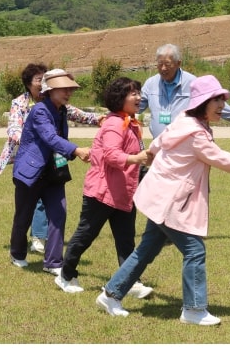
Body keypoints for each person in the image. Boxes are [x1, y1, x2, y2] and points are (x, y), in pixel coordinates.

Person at [95, 74, 230, 325]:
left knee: (146, 250)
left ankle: (111, 295)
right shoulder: (195, 133)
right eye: (216, 100)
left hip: (160, 196)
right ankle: (193, 309)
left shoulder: (184, 121)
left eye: (222, 100)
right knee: (194, 250)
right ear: (202, 103)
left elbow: (159, 141)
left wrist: (151, 152)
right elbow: (224, 160)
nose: (222, 105)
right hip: (170, 201)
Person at [56, 77, 153, 299]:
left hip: (124, 192)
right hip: (102, 192)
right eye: (133, 93)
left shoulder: (130, 123)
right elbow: (111, 155)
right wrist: (136, 158)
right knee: (85, 236)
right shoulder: (114, 123)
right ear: (120, 98)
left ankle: (131, 282)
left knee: (126, 240)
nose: (139, 97)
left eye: (139, 93)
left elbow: (135, 155)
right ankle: (65, 275)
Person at [8, 69, 91, 274]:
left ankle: (53, 263)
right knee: (23, 217)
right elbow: (51, 138)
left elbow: (59, 139)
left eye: (70, 89)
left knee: (58, 214)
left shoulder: (61, 110)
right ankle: (17, 253)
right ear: (50, 90)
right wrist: (76, 150)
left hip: (54, 172)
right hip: (31, 172)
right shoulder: (40, 111)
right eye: (63, 89)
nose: (68, 93)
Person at [139, 43, 230, 138]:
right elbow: (136, 105)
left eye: (167, 64)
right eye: (160, 64)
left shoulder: (192, 83)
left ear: (178, 63)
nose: (163, 68)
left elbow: (214, 103)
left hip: (187, 146)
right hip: (160, 148)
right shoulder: (151, 84)